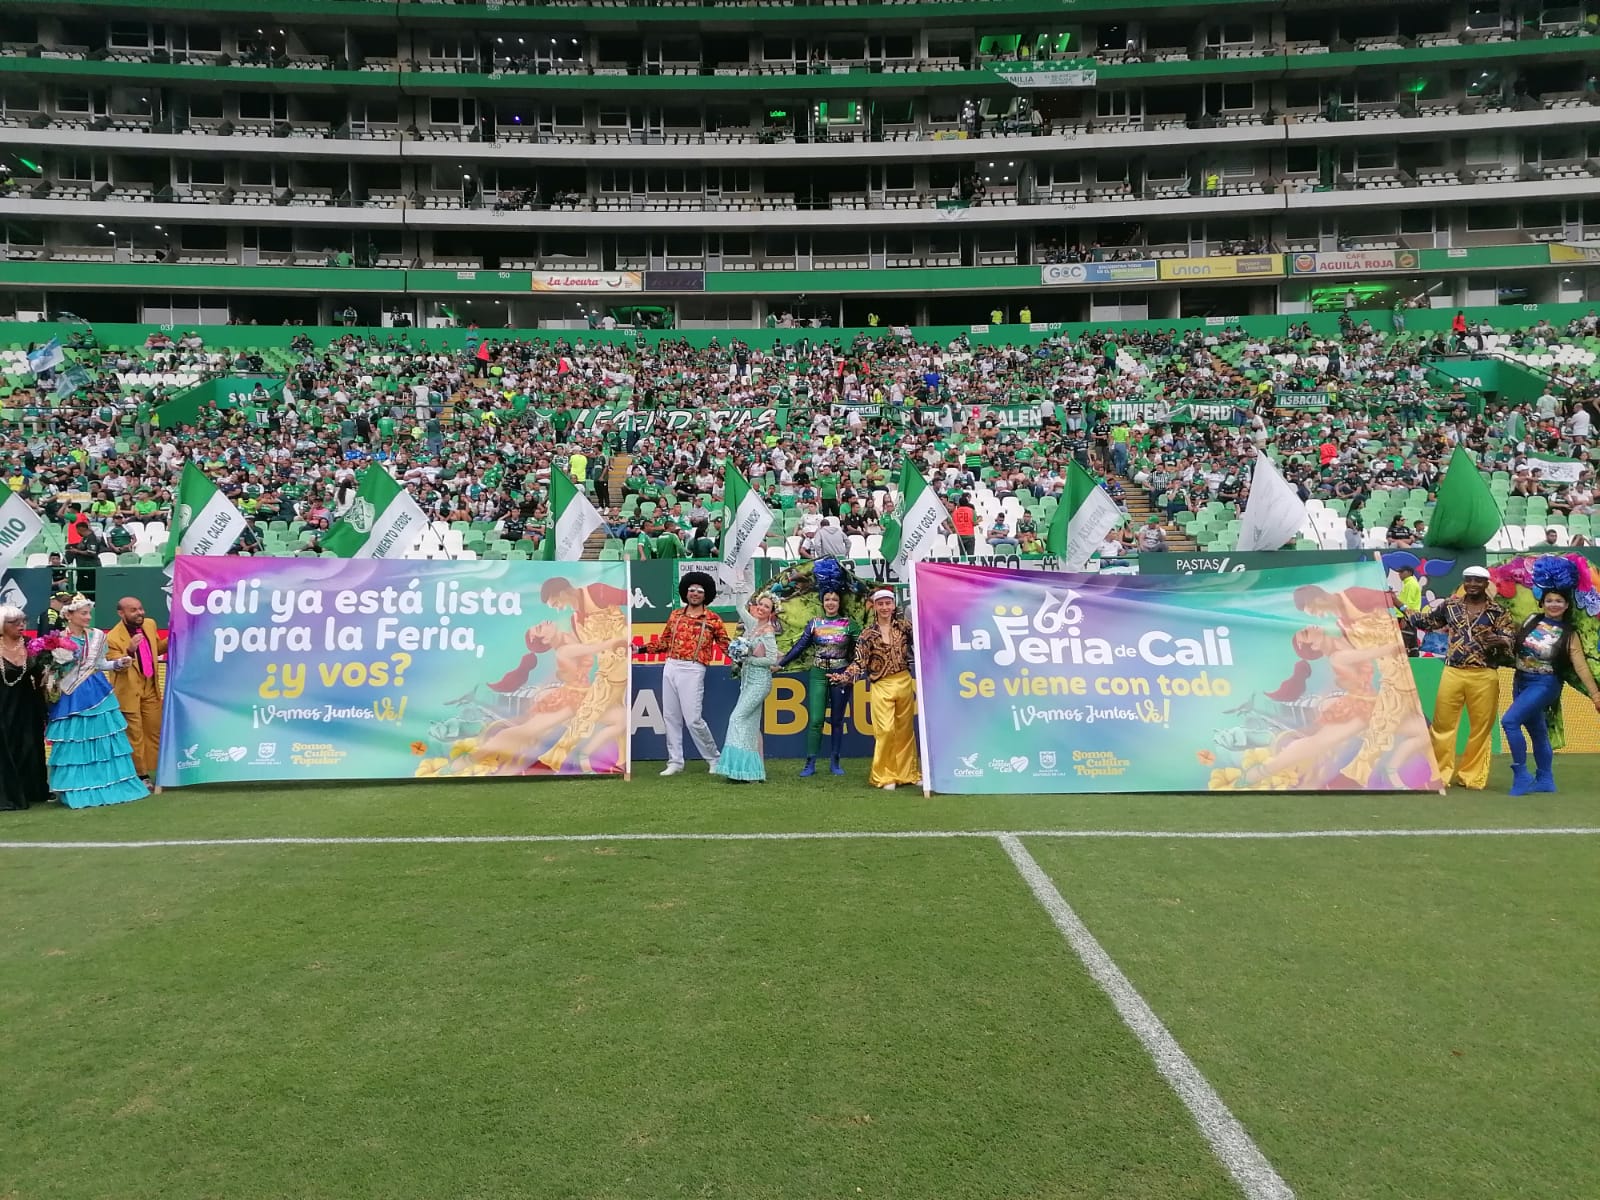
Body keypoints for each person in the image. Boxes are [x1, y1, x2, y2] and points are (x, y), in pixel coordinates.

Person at [1403, 565, 1518, 790]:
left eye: (1477, 580)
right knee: (1442, 725)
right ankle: (1440, 774)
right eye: (1468, 580)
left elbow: (1510, 639)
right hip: (1453, 671)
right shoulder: (1451, 606)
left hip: (1485, 674)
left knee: (1480, 728)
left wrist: (1500, 641)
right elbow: (1425, 622)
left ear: (1486, 584)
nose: (1472, 584)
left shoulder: (1498, 612)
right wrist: (1399, 605)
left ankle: (1471, 776)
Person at [44, 596, 148, 809]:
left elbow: (101, 664)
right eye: (83, 613)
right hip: (71, 693)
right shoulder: (57, 639)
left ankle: (107, 783)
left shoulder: (98, 636)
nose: (88, 617)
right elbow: (54, 671)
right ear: (69, 615)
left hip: (96, 691)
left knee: (104, 738)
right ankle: (75, 787)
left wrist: (119, 662)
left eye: (88, 613)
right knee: (75, 740)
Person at [1501, 588, 1600, 795]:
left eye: (1559, 601)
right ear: (1542, 603)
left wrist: (1595, 695)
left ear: (1566, 606)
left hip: (1545, 684)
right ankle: (1545, 779)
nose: (1553, 604)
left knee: (1510, 721)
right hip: (1520, 681)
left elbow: (1581, 666)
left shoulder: (1569, 633)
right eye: (1549, 600)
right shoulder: (1530, 620)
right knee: (1537, 731)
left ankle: (1521, 774)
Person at [640, 571, 727, 776]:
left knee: (693, 719)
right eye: (691, 590)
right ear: (685, 592)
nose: (695, 593)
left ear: (706, 595)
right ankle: (675, 761)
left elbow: (725, 644)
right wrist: (640, 649)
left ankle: (714, 758)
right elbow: (664, 642)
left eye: (699, 590)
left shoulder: (713, 619)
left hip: (694, 668)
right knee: (670, 716)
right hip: (671, 665)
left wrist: (744, 656)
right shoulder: (676, 615)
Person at [833, 588, 920, 791]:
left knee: (905, 731)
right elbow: (859, 662)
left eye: (888, 603)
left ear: (893, 605)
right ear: (874, 606)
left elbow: (924, 642)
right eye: (880, 604)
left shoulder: (905, 628)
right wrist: (844, 677)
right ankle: (884, 775)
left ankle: (908, 774)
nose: (884, 608)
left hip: (904, 681)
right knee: (886, 731)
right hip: (881, 685)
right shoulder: (867, 634)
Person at [778, 588, 859, 777]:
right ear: (822, 602)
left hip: (841, 675)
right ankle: (810, 762)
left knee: (837, 720)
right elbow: (800, 646)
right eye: (827, 599)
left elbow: (862, 648)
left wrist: (853, 670)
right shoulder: (815, 623)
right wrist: (780, 664)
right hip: (818, 673)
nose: (831, 603)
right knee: (815, 720)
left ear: (840, 603)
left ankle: (835, 761)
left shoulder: (849, 624)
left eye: (835, 599)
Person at [712, 596, 780, 783]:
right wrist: (741, 583)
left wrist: (748, 659)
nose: (762, 608)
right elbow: (739, 607)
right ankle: (751, 773)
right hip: (748, 681)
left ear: (772, 612)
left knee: (737, 718)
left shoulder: (767, 631)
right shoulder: (753, 625)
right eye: (760, 604)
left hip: (760, 683)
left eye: (767, 607)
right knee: (750, 727)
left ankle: (738, 769)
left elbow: (772, 659)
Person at [105, 595, 167, 791]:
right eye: (134, 610)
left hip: (150, 688)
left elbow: (156, 648)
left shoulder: (150, 624)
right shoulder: (113, 637)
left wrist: (174, 635)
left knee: (155, 732)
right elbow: (118, 667)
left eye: (140, 608)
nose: (140, 613)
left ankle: (161, 773)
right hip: (129, 693)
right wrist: (130, 651)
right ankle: (142, 776)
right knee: (135, 736)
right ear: (121, 613)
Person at [0, 605, 49, 810]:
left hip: (26, 704)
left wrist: (48, 673)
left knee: (27, 744)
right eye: (14, 622)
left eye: (23, 621)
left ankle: (30, 789)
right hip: (2, 704)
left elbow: (39, 674)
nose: (21, 626)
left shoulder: (31, 645)